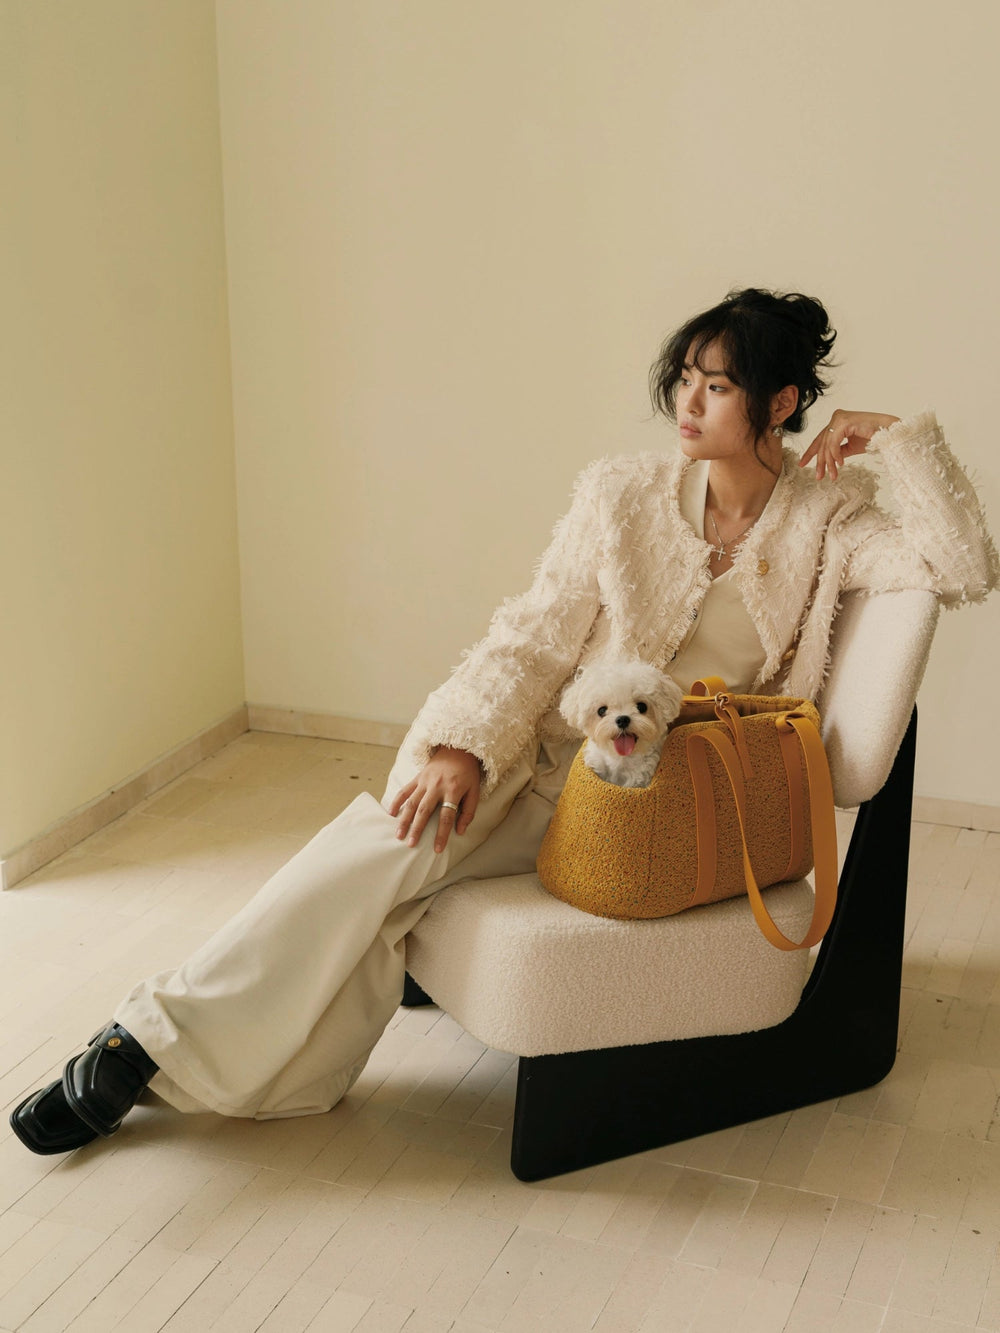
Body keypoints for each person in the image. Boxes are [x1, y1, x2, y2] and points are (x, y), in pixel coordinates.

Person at [12, 288, 998, 1155]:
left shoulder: (831, 521)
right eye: (685, 379)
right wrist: (462, 742)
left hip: (681, 803)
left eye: (718, 386)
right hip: (551, 776)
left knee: (386, 866)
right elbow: (532, 635)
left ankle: (146, 1049)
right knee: (386, 842)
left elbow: (963, 568)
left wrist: (901, 435)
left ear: (779, 403)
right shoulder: (621, 495)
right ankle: (142, 1044)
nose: (687, 404)